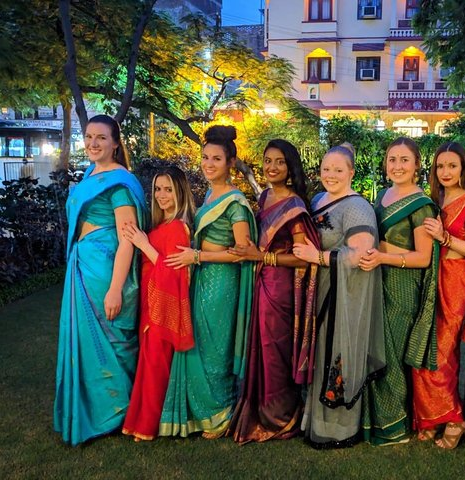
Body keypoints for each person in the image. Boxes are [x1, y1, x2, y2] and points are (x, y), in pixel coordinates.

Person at [159, 125, 257, 439]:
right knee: (199, 342)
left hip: (221, 282)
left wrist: (198, 256)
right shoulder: (211, 195)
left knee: (216, 347)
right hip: (201, 276)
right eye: (205, 157)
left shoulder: (235, 202)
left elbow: (242, 253)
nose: (209, 164)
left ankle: (221, 413)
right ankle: (202, 412)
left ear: (231, 163)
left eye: (216, 158)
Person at [54, 114, 146, 446]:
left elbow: (128, 240)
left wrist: (115, 289)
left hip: (106, 269)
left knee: (111, 336)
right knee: (87, 340)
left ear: (115, 143)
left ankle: (118, 412)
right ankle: (95, 409)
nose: (93, 143)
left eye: (101, 138)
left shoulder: (119, 183)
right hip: (84, 264)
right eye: (89, 137)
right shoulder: (91, 174)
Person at [228, 139, 321, 444]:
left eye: (280, 162)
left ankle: (281, 418)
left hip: (280, 287)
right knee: (260, 347)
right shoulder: (265, 196)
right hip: (260, 281)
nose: (272, 167)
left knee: (275, 350)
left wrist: (263, 257)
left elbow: (303, 256)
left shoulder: (295, 207)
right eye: (268, 160)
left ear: (290, 167)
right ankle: (259, 410)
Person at [293, 143, 385, 449]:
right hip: (317, 290)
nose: (330, 174)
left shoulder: (357, 207)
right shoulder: (318, 200)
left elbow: (360, 254)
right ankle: (312, 419)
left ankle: (338, 428)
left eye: (338, 169)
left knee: (334, 352)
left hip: (342, 294)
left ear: (351, 172)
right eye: (326, 169)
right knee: (317, 352)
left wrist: (317, 257)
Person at [357, 137, 437, 446]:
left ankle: (395, 425)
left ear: (417, 165)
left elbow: (423, 257)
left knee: (392, 352)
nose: (397, 166)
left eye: (405, 160)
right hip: (375, 279)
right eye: (392, 159)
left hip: (402, 285)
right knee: (374, 347)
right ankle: (373, 420)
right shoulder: (382, 196)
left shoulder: (422, 205)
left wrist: (382, 257)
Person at [412, 142, 465, 448]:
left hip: (456, 282)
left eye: (452, 166)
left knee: (442, 354)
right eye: (440, 166)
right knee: (423, 349)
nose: (445, 172)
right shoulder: (434, 201)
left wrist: (445, 238)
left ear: (463, 169)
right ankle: (433, 417)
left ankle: (456, 419)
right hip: (431, 279)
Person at [121, 166, 196, 442]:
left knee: (155, 366)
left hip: (163, 306)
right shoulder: (161, 225)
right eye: (157, 189)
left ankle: (148, 425)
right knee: (148, 363)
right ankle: (138, 421)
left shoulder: (178, 227)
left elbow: (176, 274)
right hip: (149, 301)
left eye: (168, 190)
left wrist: (144, 244)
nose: (162, 195)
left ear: (180, 192)